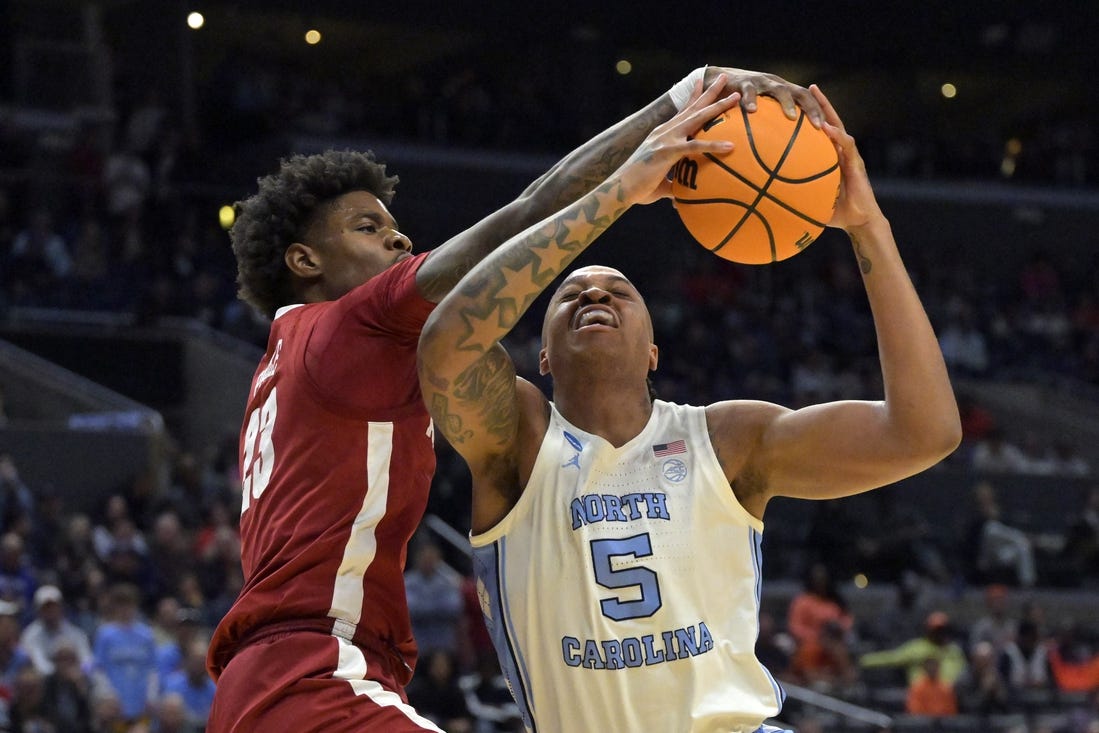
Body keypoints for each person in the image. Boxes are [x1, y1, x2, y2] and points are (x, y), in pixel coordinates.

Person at [204, 64, 826, 733]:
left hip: (272, 683)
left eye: (395, 228)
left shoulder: (286, 361)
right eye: (367, 227)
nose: (400, 240)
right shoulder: (352, 322)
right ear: (305, 261)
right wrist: (677, 108)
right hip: (317, 677)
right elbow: (528, 210)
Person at [417, 83, 961, 731]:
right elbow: (446, 343)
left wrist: (870, 227)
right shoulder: (518, 439)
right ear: (539, 357)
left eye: (619, 290)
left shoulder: (728, 438)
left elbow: (922, 432)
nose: (595, 292)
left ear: (653, 349)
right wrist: (615, 193)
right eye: (572, 294)